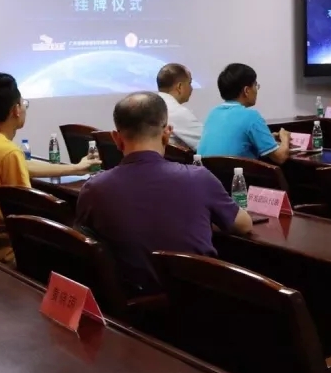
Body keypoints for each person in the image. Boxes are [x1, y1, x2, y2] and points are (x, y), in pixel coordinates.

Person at [76, 92, 252, 293]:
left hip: (131, 301)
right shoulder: (199, 178)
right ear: (167, 133)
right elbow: (244, 224)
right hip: (199, 299)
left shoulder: (93, 188)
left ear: (116, 138)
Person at [0, 73, 97, 262]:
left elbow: (25, 165)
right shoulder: (8, 152)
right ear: (16, 110)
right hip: (7, 246)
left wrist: (76, 168)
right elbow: (27, 216)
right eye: (24, 103)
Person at [197, 63, 290, 163]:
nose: (256, 90)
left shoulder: (213, 113)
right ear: (246, 90)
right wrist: (285, 138)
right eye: (255, 85)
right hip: (236, 173)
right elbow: (280, 157)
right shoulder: (251, 116)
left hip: (206, 172)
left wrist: (267, 138)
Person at [156, 63, 202, 150]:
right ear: (180, 87)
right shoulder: (178, 112)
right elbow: (207, 143)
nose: (191, 88)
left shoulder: (150, 106)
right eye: (189, 83)